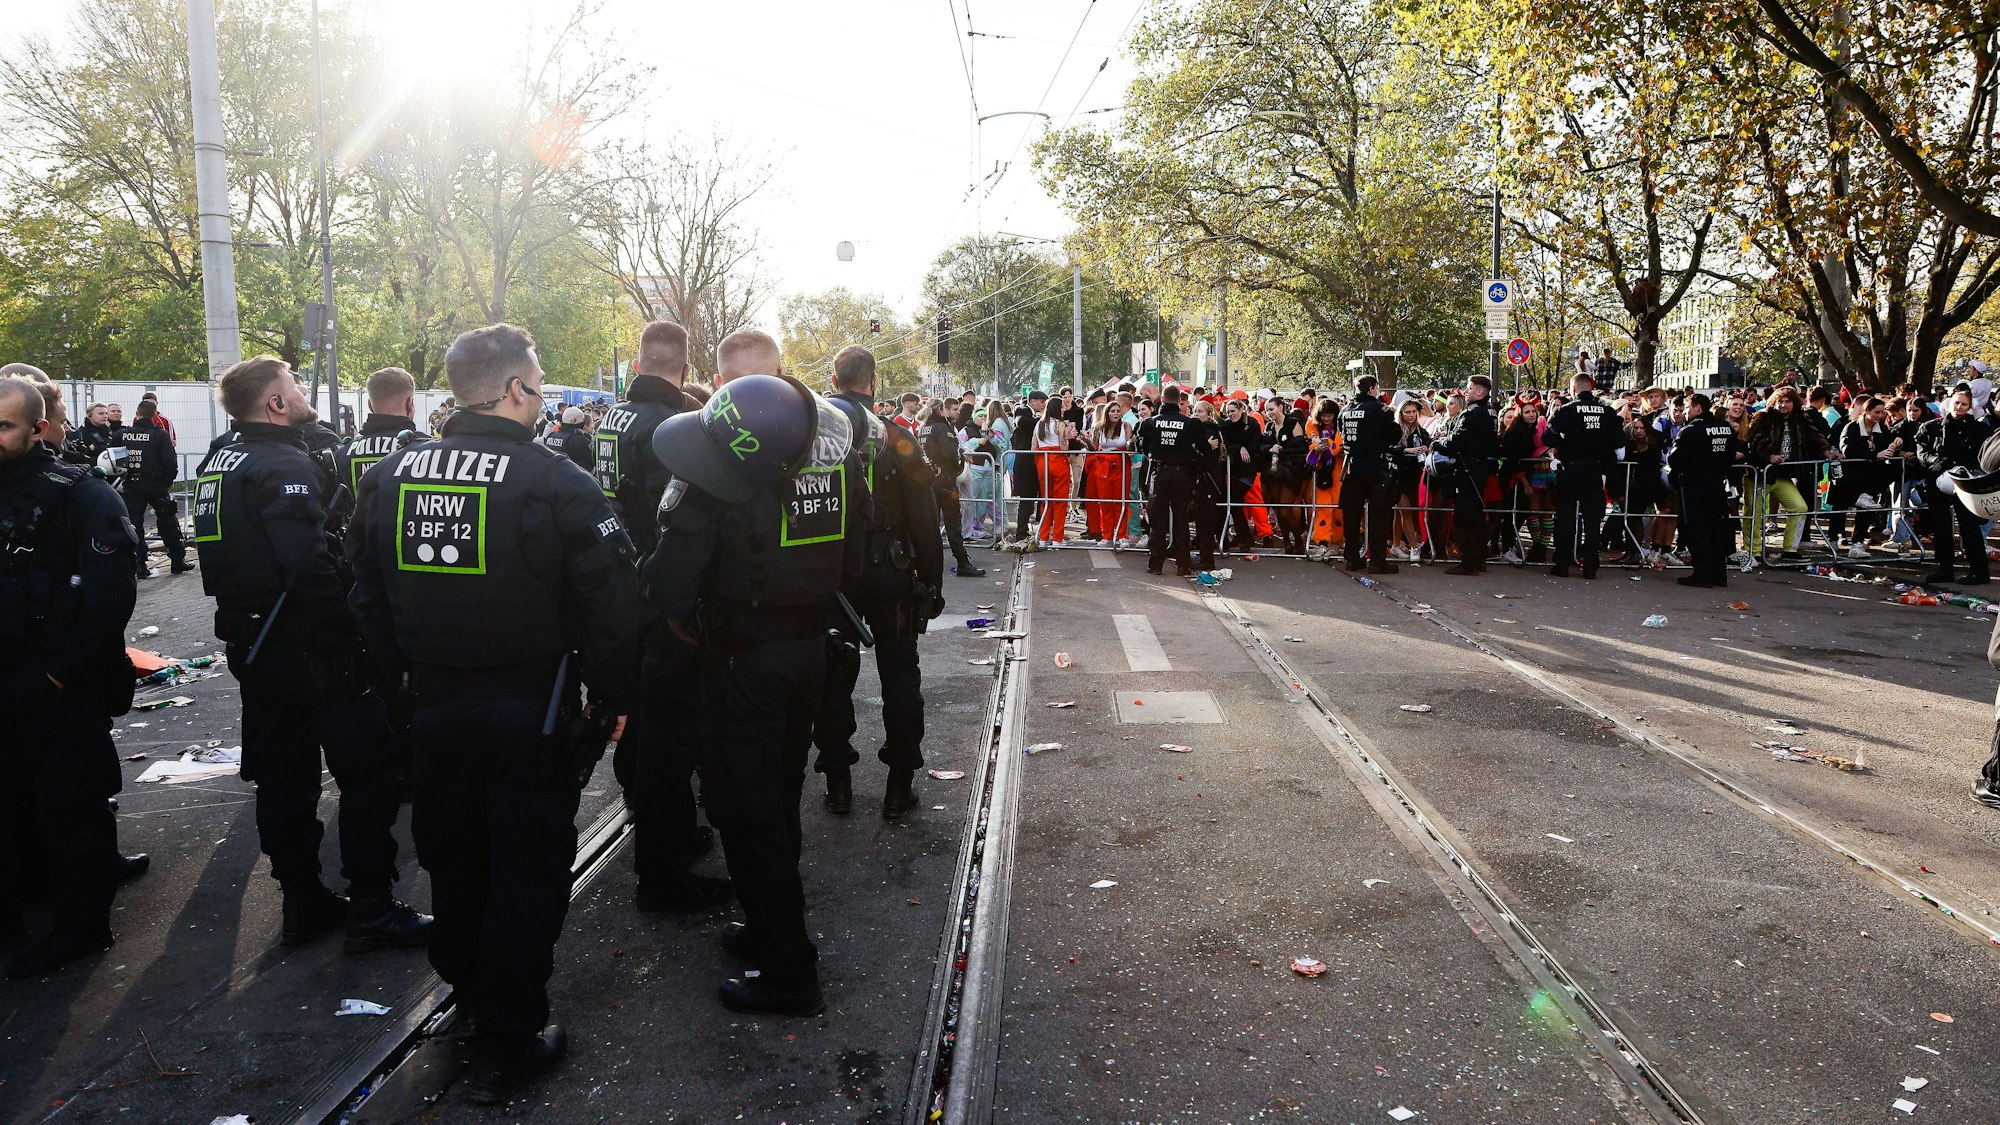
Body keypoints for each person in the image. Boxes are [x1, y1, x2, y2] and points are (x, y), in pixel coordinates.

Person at [347, 326, 636, 1103]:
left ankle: (469, 994)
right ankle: (511, 1028)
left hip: (431, 703)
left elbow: (365, 593)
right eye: (538, 384)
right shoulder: (554, 478)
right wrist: (611, 700)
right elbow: (613, 606)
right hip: (528, 706)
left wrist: (399, 675)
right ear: (516, 390)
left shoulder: (389, 473)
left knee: (455, 853)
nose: (539, 396)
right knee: (527, 864)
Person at [645, 335, 861, 1018]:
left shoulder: (720, 480)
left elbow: (669, 585)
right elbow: (857, 554)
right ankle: (768, 927)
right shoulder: (833, 464)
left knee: (747, 814)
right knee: (778, 800)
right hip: (809, 656)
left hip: (743, 664)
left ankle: (788, 971)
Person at [192, 356, 433, 958]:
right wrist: (358, 635)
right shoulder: (283, 465)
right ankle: (371, 906)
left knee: (284, 777)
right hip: (309, 645)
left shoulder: (219, 458)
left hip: (251, 641)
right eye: (293, 386)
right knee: (371, 771)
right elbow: (309, 571)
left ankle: (302, 899)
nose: (301, 394)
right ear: (275, 402)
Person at [0, 380, 138, 977]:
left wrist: (59, 676)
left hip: (57, 684)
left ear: (36, 428)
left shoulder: (83, 496)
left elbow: (109, 601)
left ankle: (81, 927)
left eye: (4, 425)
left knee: (71, 808)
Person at [593, 320, 728, 913]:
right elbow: (671, 524)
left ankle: (663, 831)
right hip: (656, 601)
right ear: (685, 362)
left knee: (645, 728)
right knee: (668, 737)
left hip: (616, 593)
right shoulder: (672, 429)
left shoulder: (612, 418)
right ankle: (663, 871)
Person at [816, 345, 944, 819]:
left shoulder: (817, 433)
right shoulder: (897, 436)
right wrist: (931, 579)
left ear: (835, 378)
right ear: (872, 382)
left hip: (834, 573)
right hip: (889, 570)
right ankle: (898, 784)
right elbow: (923, 513)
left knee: (832, 678)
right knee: (899, 674)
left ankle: (838, 782)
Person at [1542, 371, 1626, 578]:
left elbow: (1548, 438)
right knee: (1592, 521)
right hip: (1595, 471)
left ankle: (1562, 564)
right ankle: (1591, 566)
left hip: (1570, 470)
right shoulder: (1607, 412)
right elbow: (1619, 443)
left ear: (1573, 389)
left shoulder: (1567, 410)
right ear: (1591, 386)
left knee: (1565, 518)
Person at [1917, 386, 1997, 585]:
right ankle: (1945, 569)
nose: (1959, 407)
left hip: (1965, 481)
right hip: (1936, 481)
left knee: (1969, 527)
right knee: (1941, 527)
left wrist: (1956, 463)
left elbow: (1983, 456)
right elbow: (1921, 452)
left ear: (1970, 407)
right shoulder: (1931, 427)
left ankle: (1979, 571)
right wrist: (1936, 460)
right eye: (1956, 403)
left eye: (1964, 404)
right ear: (1949, 402)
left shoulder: (1979, 429)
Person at [1746, 385, 1833, 561]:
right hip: (1760, 473)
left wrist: (1827, 451)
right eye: (1780, 401)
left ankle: (1790, 550)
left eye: (1787, 402)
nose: (1783, 405)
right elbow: (1755, 440)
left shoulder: (1801, 418)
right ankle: (1753, 552)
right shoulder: (1762, 416)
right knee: (1754, 514)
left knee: (1799, 507)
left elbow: (1814, 436)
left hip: (1782, 475)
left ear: (1794, 403)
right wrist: (1769, 455)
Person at [1136, 385, 1213, 576]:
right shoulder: (1190, 423)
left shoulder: (1150, 423)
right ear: (1179, 401)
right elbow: (1204, 448)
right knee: (1181, 520)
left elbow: (1142, 447)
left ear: (1162, 400)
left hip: (1160, 474)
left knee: (1157, 521)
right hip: (1182, 475)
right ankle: (1183, 564)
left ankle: (1155, 565)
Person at [1667, 393, 1741, 588]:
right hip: (1718, 484)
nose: (1685, 412)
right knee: (1717, 529)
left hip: (1695, 485)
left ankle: (1702, 574)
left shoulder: (1691, 430)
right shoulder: (1726, 428)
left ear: (1698, 408)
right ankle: (1719, 574)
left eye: (1688, 408)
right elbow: (1731, 454)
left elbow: (1674, 460)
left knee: (1697, 530)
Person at [1432, 374, 1500, 574]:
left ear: (1480, 392)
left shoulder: (1472, 413)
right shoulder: (1490, 412)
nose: (1467, 391)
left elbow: (1455, 443)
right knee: (1476, 516)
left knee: (1466, 517)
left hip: (1469, 469)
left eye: (1470, 388)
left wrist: (1437, 443)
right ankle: (1477, 559)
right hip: (1480, 468)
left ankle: (1469, 562)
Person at [118, 399, 193, 578]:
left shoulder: (122, 434)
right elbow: (170, 462)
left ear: (137, 414)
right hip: (156, 485)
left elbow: (113, 459)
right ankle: (177, 560)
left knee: (134, 525)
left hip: (132, 485)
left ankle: (139, 565)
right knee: (168, 521)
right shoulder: (159, 435)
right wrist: (166, 482)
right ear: (154, 414)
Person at [1337, 374, 1400, 574]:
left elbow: (1341, 432)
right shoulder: (1380, 410)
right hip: (1375, 466)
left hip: (1352, 467)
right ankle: (1377, 561)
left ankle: (1352, 558)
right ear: (1372, 389)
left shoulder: (1345, 410)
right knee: (1378, 516)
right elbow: (1394, 435)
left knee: (1352, 516)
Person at [920, 400, 984, 577]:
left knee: (931, 525)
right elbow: (950, 453)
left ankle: (927, 564)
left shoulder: (924, 428)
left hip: (929, 481)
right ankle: (962, 562)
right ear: (942, 410)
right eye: (954, 409)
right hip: (945, 482)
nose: (957, 413)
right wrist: (959, 463)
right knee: (952, 523)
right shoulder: (942, 428)